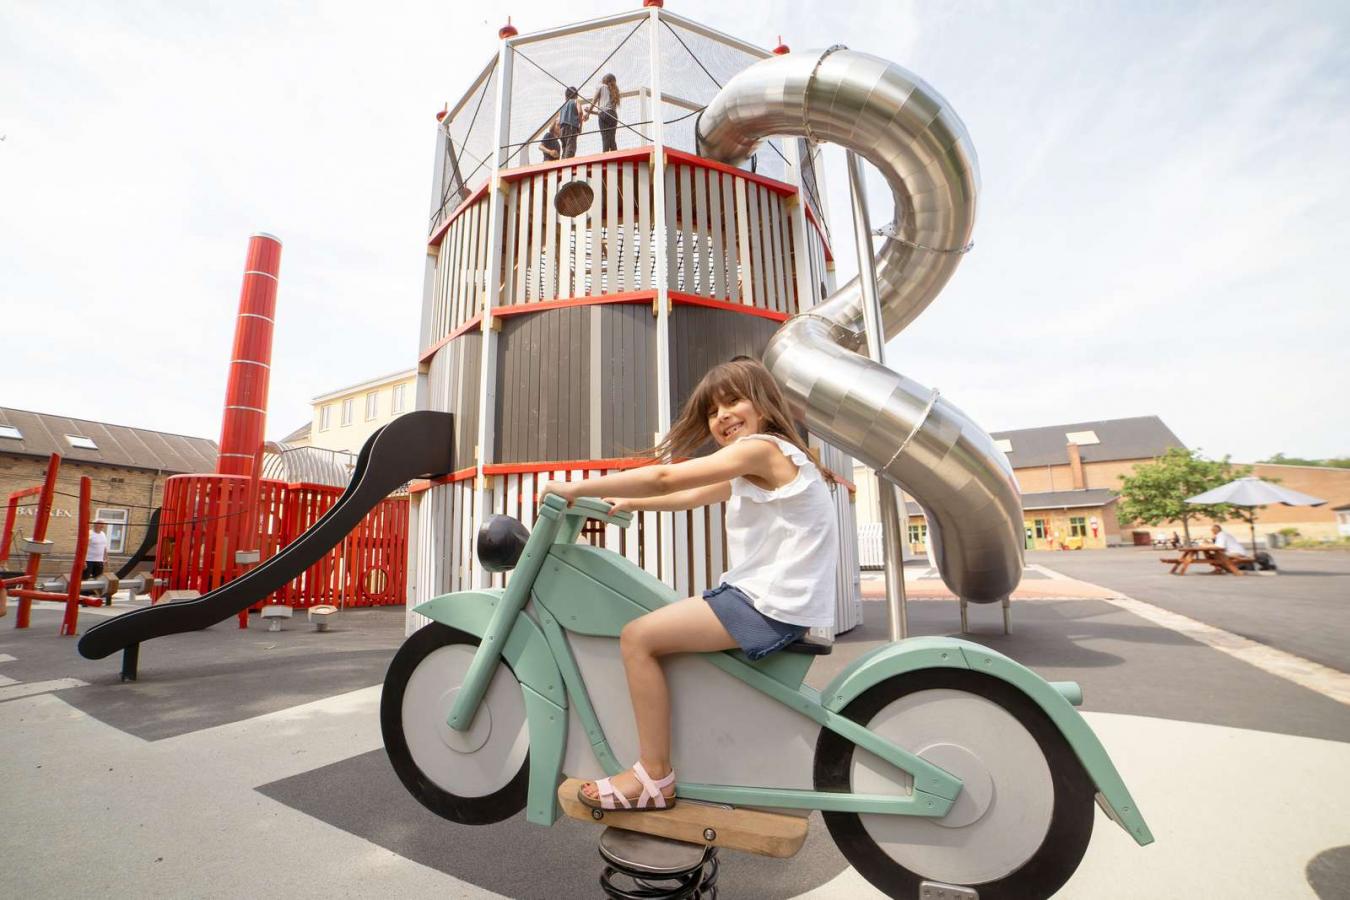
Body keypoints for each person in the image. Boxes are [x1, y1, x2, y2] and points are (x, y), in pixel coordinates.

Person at [540, 358, 839, 812]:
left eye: (733, 401)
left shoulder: (761, 450)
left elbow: (665, 478)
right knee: (660, 627)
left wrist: (575, 489)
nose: (722, 416)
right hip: (772, 601)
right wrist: (629, 502)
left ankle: (652, 776)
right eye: (712, 411)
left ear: (763, 405)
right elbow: (688, 496)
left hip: (768, 605)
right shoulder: (768, 462)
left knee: (638, 638)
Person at [588, 73, 621, 153]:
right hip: (613, 115)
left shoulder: (601, 87)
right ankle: (615, 155)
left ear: (604, 80)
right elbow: (608, 111)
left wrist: (588, 112)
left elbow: (594, 100)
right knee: (612, 138)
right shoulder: (614, 91)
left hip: (604, 115)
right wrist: (591, 112)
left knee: (605, 137)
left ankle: (605, 154)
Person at [84, 521, 109, 602]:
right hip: (88, 560)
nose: (102, 526)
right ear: (95, 525)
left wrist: (106, 558)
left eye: (103, 524)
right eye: (101, 524)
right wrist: (83, 560)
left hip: (99, 560)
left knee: (98, 579)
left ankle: (97, 597)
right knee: (85, 578)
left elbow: (104, 547)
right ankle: (84, 598)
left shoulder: (103, 534)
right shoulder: (89, 533)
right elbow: (83, 547)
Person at [557, 87, 583, 159]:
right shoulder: (575, 101)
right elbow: (580, 112)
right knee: (570, 149)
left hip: (562, 129)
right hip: (571, 127)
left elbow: (558, 121)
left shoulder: (562, 106)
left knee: (565, 149)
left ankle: (563, 163)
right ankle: (567, 164)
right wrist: (580, 126)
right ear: (576, 95)